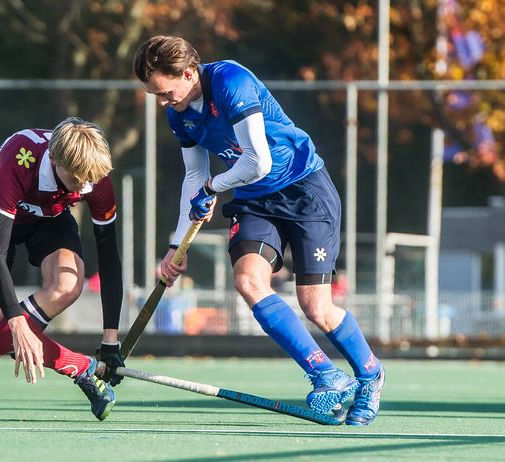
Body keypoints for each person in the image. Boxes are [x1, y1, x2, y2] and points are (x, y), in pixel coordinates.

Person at [133, 36, 385, 426]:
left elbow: (258, 162)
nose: (163, 102)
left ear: (187, 73)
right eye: (156, 96)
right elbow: (194, 176)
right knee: (248, 281)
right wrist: (173, 246)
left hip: (304, 189)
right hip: (255, 199)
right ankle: (326, 375)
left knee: (316, 306)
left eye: (165, 92)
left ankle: (370, 376)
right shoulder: (178, 115)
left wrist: (214, 188)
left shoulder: (232, 82)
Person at [0, 117, 125, 421]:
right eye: (77, 181)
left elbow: (109, 256)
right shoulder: (20, 156)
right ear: (53, 158)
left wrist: (110, 340)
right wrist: (17, 323)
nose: (85, 187)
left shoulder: (94, 177)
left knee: (66, 285)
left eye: (90, 181)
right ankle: (80, 368)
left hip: (49, 219)